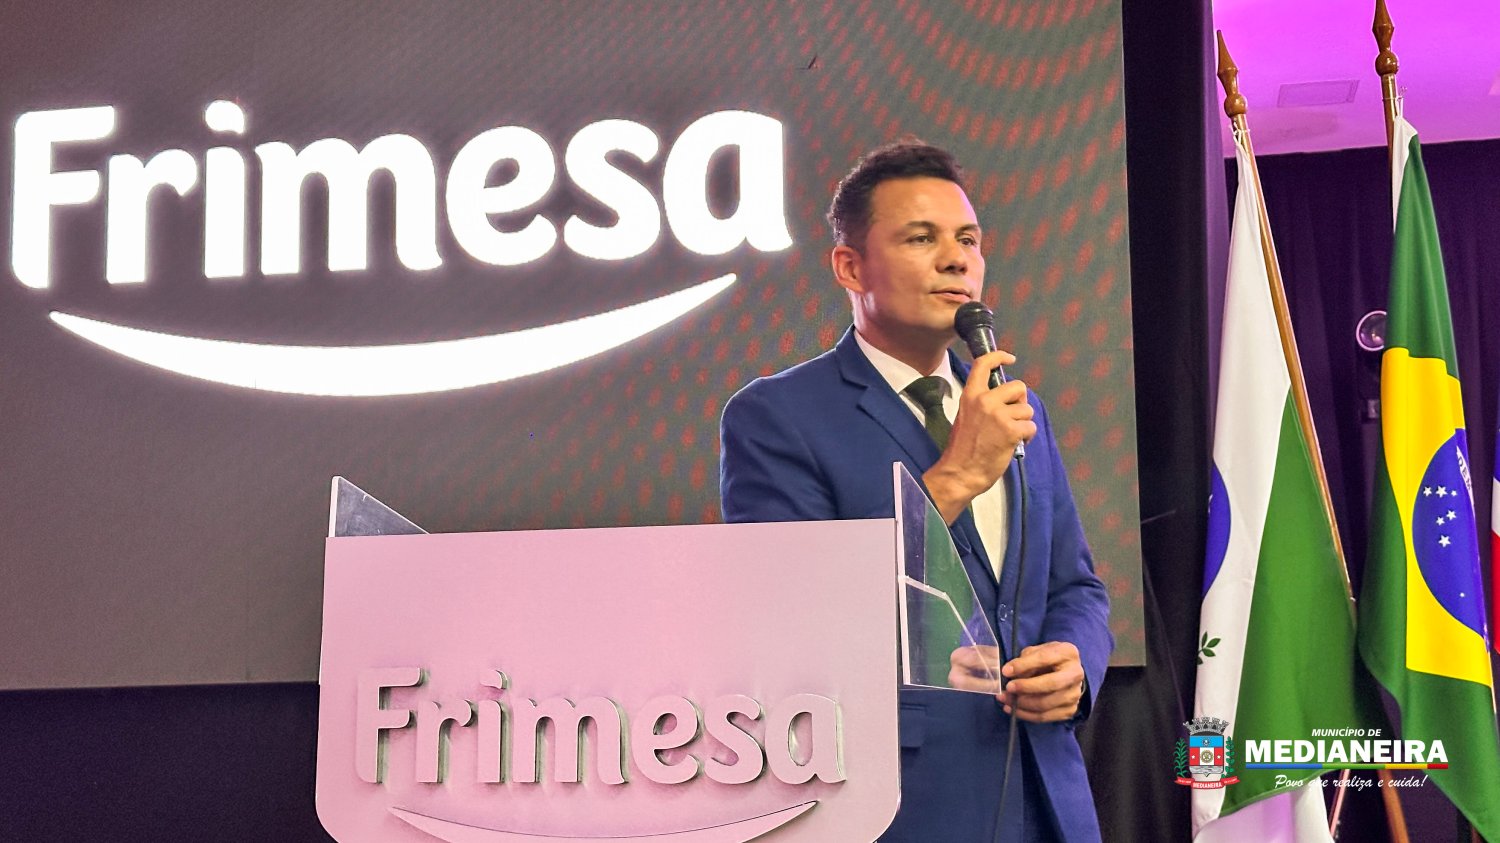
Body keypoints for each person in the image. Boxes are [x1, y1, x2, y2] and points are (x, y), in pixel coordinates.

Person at [719, 140, 1111, 842]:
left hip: (1047, 791)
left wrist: (1075, 665)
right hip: (903, 802)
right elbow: (794, 612)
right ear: (850, 266)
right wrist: (955, 477)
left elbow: (1074, 585)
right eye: (921, 238)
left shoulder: (1019, 408)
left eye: (968, 240)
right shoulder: (777, 416)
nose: (957, 260)